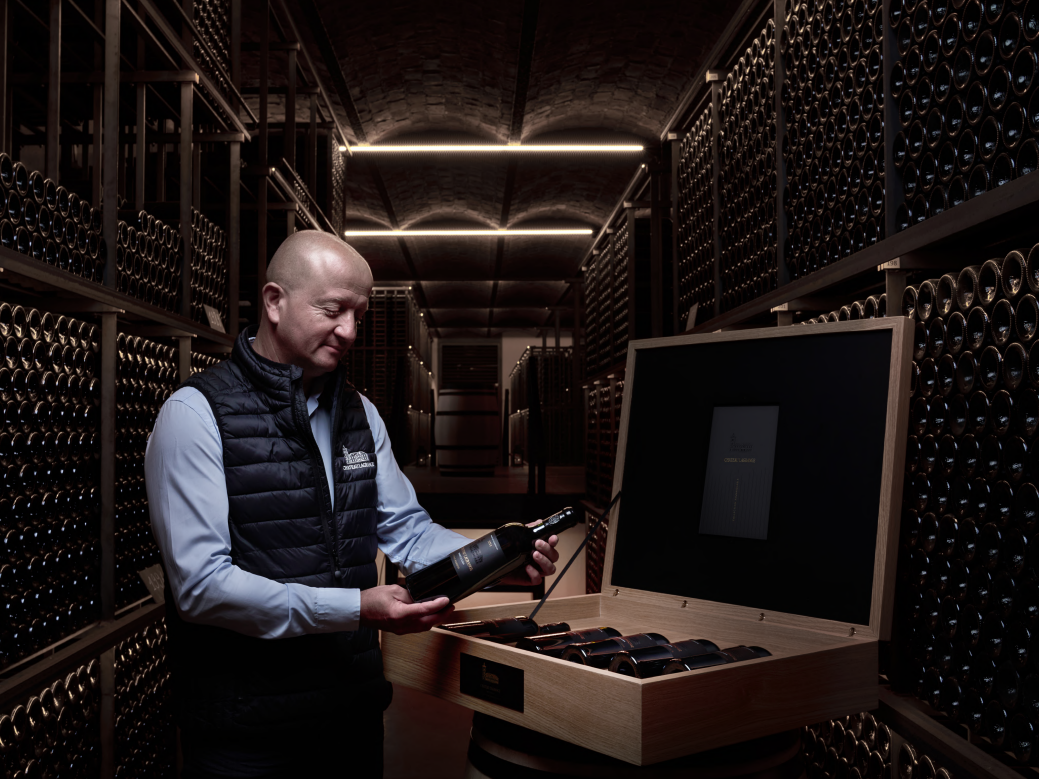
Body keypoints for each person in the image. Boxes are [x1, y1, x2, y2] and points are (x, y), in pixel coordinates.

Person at [144, 231, 560, 778]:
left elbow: (407, 531)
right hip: (248, 734)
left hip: (351, 718)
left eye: (359, 315)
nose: (349, 331)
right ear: (274, 302)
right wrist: (358, 608)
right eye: (332, 309)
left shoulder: (359, 413)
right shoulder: (195, 416)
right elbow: (201, 589)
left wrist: (497, 554)